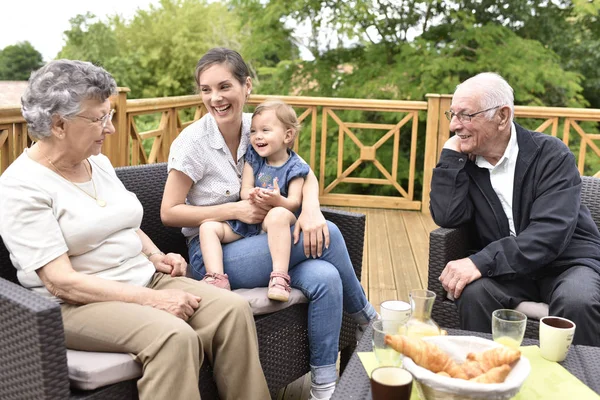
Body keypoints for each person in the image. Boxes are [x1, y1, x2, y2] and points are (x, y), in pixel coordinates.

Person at [0, 59, 270, 400]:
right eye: (99, 118)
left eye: (110, 115)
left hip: (143, 278)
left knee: (232, 311)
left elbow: (125, 222)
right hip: (75, 305)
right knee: (174, 336)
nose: (110, 128)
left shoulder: (96, 162)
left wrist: (156, 255)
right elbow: (61, 282)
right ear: (58, 124)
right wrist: (154, 300)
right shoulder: (21, 186)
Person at [161, 47, 377, 400]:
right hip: (216, 254)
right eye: (205, 89)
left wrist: (311, 209)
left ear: (246, 86)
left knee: (326, 277)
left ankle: (323, 389)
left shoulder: (258, 126)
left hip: (265, 243)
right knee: (332, 236)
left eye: (224, 86)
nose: (215, 98)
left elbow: (302, 172)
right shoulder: (193, 143)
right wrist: (233, 211)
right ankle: (368, 319)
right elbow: (169, 212)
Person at [430, 72, 600, 346]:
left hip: (567, 263)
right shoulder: (468, 163)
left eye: (465, 115)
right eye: (452, 114)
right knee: (474, 294)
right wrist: (450, 157)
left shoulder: (551, 155)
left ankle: (581, 383)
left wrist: (480, 261)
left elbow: (550, 234)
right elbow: (448, 216)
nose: (453, 125)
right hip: (510, 271)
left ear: (502, 116)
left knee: (577, 301)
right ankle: (487, 376)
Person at [199, 99, 309, 302]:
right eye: (254, 132)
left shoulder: (295, 168)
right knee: (207, 227)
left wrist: (278, 201)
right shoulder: (255, 158)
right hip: (248, 220)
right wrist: (251, 194)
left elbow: (294, 203)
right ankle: (217, 279)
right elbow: (245, 189)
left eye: (265, 130)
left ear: (288, 135)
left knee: (278, 215)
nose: (258, 136)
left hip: (274, 222)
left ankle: (279, 277)